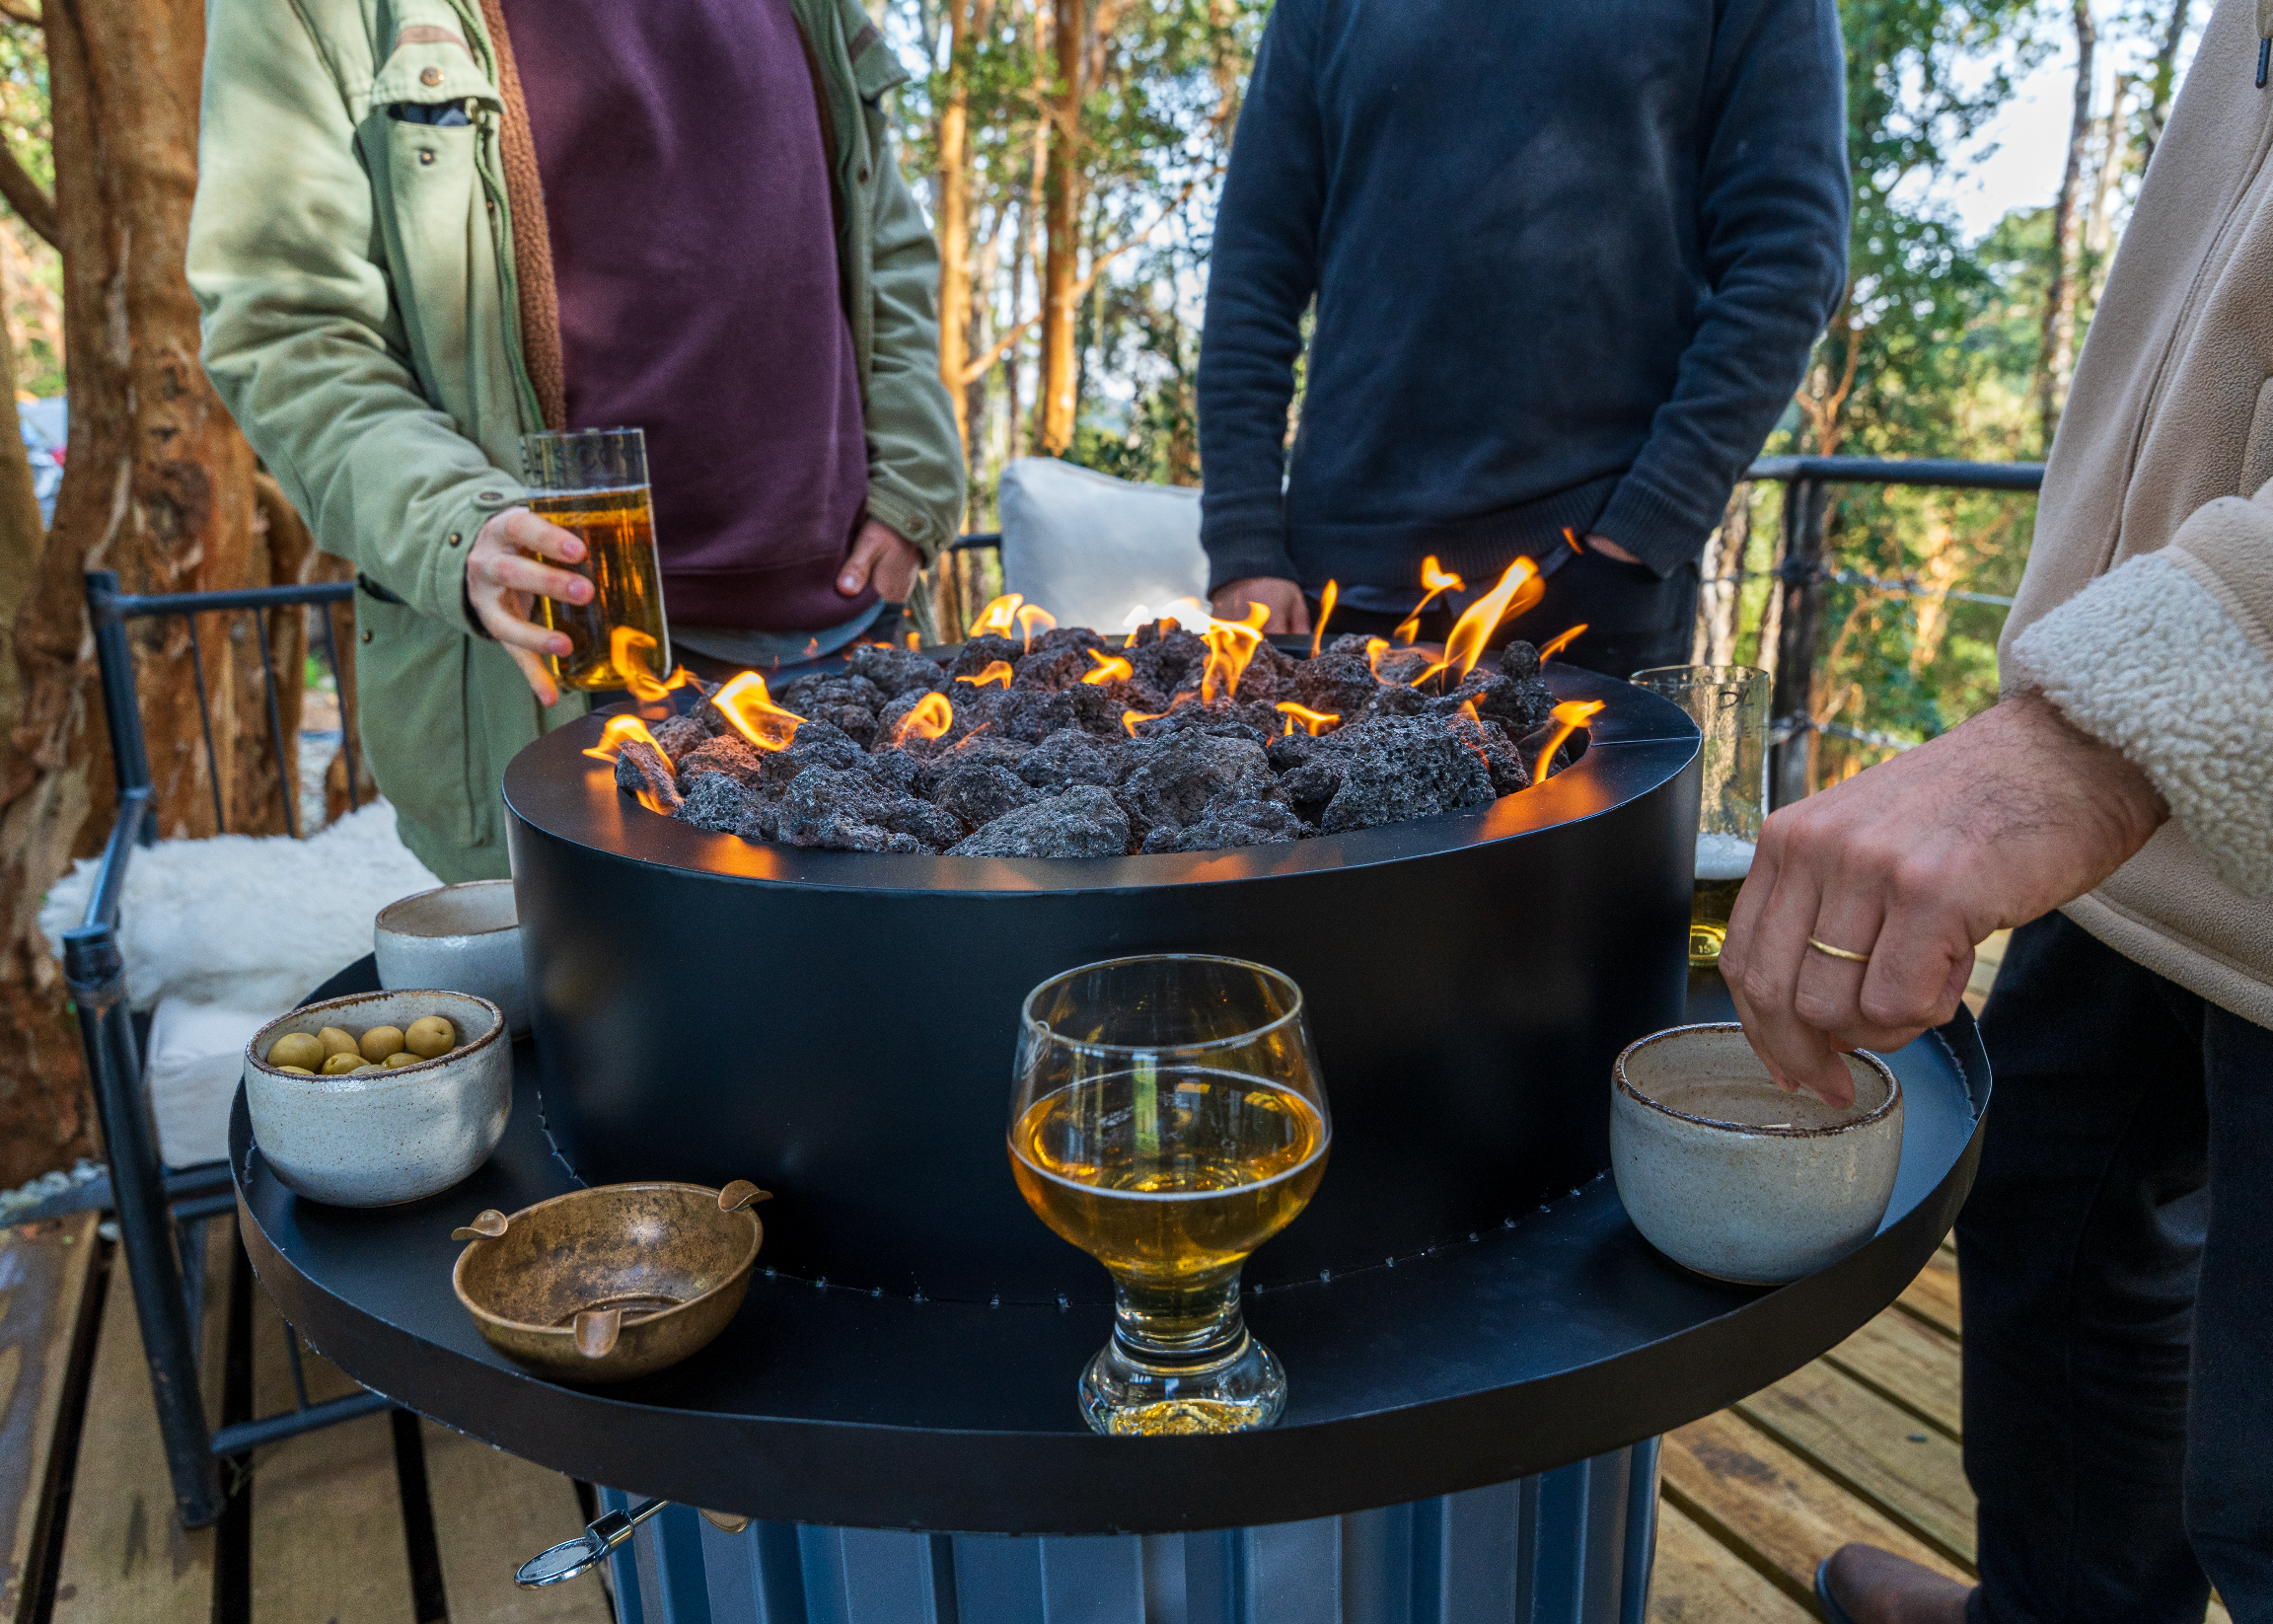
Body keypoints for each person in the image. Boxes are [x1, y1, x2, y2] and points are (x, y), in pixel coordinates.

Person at [1722, 5, 2273, 1618]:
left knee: (2257, 1473)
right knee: (2051, 1264)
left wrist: (2093, 731)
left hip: (2164, 719)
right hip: (2151, 789)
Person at [188, 0, 965, 882]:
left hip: (866, 650)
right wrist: (455, 520)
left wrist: (914, 488)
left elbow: (888, 246)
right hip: (574, 697)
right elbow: (288, 329)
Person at [1193, 0, 1849, 679]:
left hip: (1592, 590)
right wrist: (1245, 549)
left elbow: (1789, 256)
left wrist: (1646, 526)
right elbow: (1253, 271)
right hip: (1324, 599)